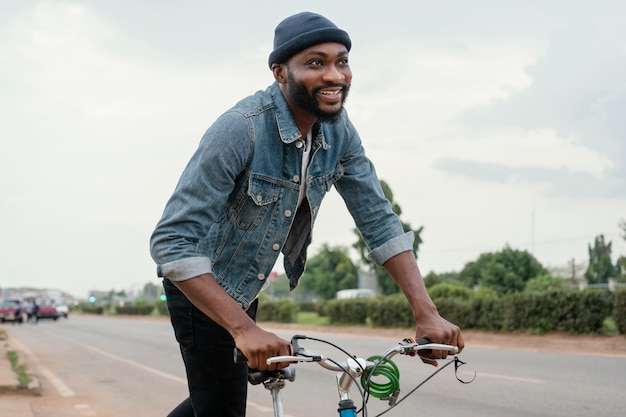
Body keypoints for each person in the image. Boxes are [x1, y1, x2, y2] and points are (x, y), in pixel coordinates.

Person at [150, 11, 464, 417]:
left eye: (342, 61)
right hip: (202, 286)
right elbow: (171, 243)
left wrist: (427, 311)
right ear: (281, 73)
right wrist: (244, 328)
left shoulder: (338, 131)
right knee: (222, 405)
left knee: (214, 399)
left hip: (245, 286)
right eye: (316, 63)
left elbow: (378, 218)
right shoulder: (240, 129)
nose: (334, 75)